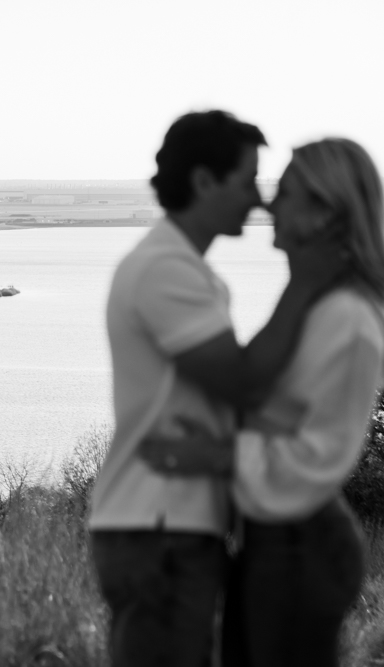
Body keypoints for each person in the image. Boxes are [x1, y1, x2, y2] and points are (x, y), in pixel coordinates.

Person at [88, 111, 345, 667]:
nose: (259, 199)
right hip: (160, 525)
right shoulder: (166, 271)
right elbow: (243, 383)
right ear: (205, 181)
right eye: (247, 180)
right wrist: (304, 283)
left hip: (166, 525)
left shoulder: (179, 268)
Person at [141, 138, 384, 667]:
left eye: (287, 192)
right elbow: (267, 408)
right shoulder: (316, 306)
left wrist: (216, 455)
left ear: (323, 213)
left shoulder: (347, 321)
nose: (270, 204)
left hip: (302, 551)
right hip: (274, 548)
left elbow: (319, 457)